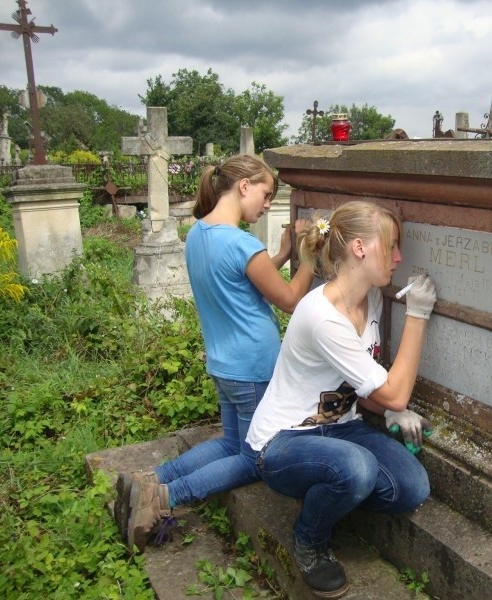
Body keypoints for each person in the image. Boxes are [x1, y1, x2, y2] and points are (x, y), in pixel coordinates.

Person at [116, 154, 315, 553]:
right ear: (244, 187)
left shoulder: (199, 234)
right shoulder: (242, 243)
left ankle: (150, 479)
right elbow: (291, 299)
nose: (265, 203)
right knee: (250, 458)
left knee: (229, 442)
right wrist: (306, 258)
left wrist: (279, 255)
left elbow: (241, 278)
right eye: (265, 193)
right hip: (254, 366)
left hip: (223, 363)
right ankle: (167, 497)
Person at [246, 200, 437, 598]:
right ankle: (309, 540)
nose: (399, 258)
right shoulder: (322, 316)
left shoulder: (373, 299)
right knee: (357, 469)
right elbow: (396, 391)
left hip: (342, 427)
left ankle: (333, 492)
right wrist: (417, 316)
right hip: (286, 440)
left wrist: (386, 412)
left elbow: (363, 388)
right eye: (392, 247)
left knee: (412, 487)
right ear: (360, 249)